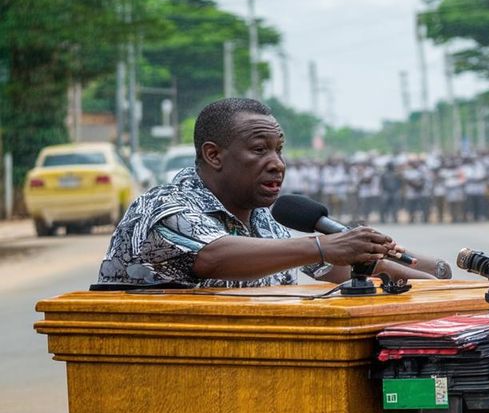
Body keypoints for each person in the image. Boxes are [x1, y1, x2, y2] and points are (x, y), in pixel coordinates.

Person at [98, 98, 425, 288]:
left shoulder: (265, 222)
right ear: (214, 155)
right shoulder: (163, 207)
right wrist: (323, 245)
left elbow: (336, 269)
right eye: (259, 150)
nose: (277, 164)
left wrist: (433, 278)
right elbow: (213, 256)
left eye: (279, 151)